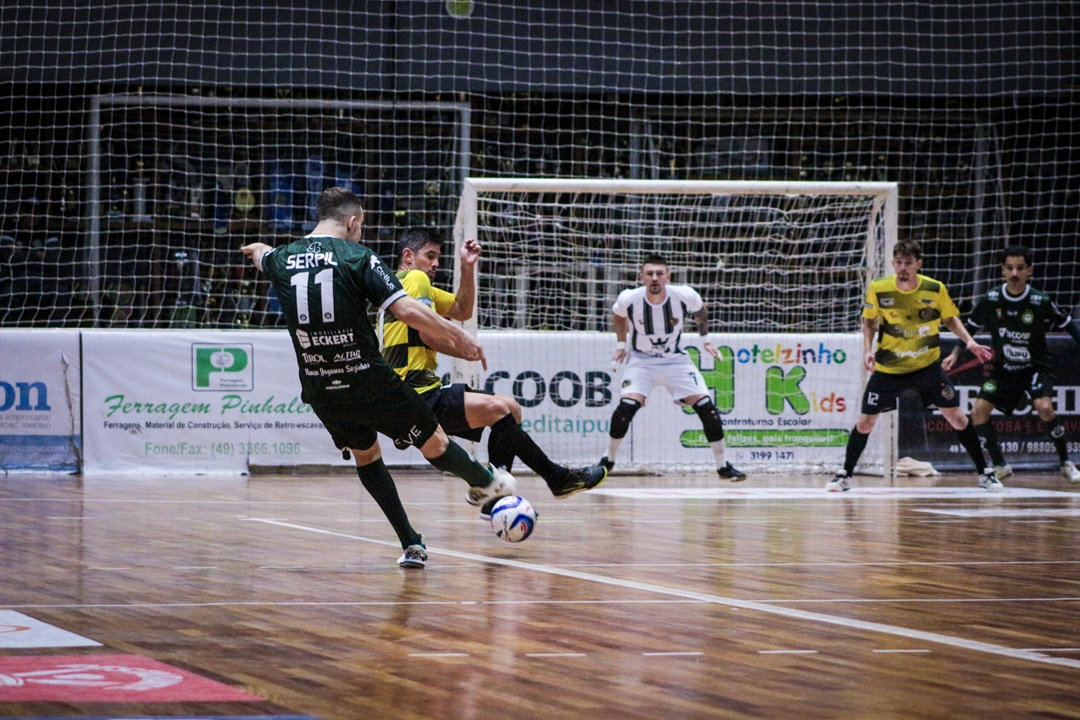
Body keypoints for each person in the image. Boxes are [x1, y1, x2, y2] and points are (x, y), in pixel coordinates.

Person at [241, 187, 517, 569]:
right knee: (434, 441)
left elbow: (262, 256)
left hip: (321, 387)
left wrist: (257, 248)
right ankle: (487, 482)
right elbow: (407, 311)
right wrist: (459, 336)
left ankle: (411, 544)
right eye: (361, 226)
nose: (361, 233)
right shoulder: (358, 257)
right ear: (352, 222)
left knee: (366, 455)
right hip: (368, 379)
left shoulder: (282, 258)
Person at [381, 228, 607, 515]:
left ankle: (497, 496)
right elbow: (425, 333)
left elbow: (462, 309)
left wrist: (467, 267)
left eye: (438, 257)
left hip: (414, 390)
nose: (436, 263)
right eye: (430, 256)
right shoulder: (415, 278)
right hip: (414, 393)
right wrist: (463, 348)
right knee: (500, 409)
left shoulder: (398, 286)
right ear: (408, 257)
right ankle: (553, 479)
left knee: (509, 409)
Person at [827, 239, 998, 492]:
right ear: (893, 264)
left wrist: (970, 342)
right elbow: (870, 322)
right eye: (898, 262)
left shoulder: (934, 288)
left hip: (926, 367)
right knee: (865, 422)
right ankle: (844, 475)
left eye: (908, 263)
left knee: (958, 419)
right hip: (889, 369)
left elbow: (950, 319)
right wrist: (866, 350)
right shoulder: (879, 288)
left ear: (918, 264)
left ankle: (985, 472)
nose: (902, 268)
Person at [600, 253, 745, 481]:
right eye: (650, 274)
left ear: (668, 276)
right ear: (641, 277)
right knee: (625, 409)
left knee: (707, 408)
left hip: (675, 361)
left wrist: (705, 339)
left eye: (659, 273)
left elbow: (701, 311)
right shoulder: (630, 298)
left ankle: (723, 466)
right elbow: (618, 316)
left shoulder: (684, 295)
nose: (655, 278)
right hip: (641, 362)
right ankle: (607, 460)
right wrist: (621, 343)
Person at [943, 245, 1080, 483]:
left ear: (1030, 271)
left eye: (1020, 268)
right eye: (1009, 268)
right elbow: (970, 329)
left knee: (1044, 407)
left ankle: (1066, 462)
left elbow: (1067, 324)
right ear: (1002, 271)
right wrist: (956, 353)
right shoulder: (991, 298)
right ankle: (1000, 465)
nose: (1014, 273)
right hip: (1003, 370)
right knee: (978, 412)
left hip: (1035, 368)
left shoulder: (1040, 300)